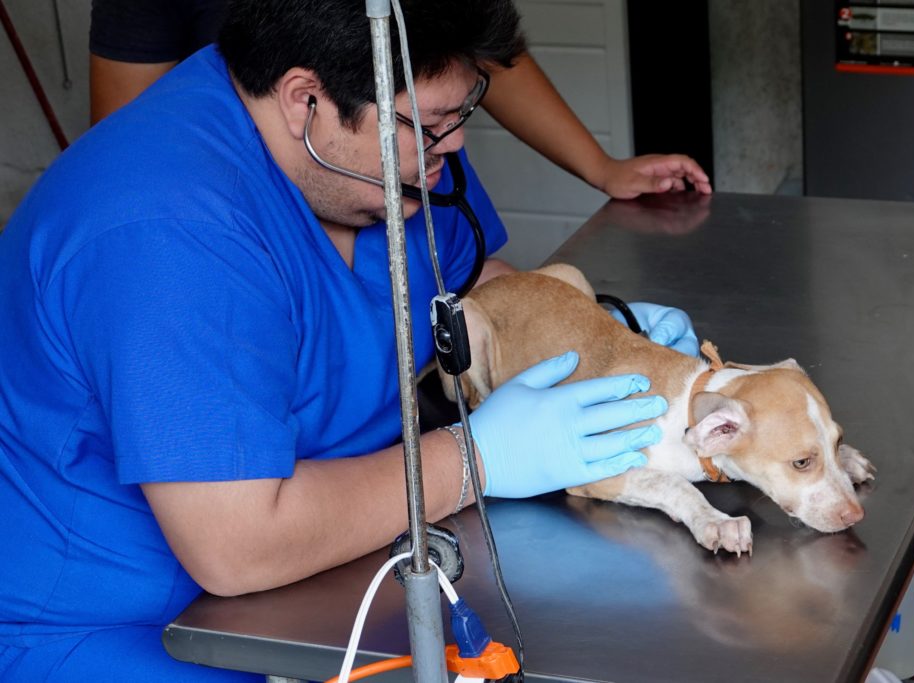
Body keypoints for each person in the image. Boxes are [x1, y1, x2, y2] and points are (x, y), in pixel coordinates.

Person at [0, 0, 700, 679]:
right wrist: (477, 457)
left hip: (323, 581)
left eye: (464, 113)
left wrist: (597, 331)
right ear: (306, 101)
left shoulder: (391, 150)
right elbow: (239, 543)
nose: (453, 146)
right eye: (430, 125)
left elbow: (465, 275)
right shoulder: (166, 231)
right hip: (115, 630)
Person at [88, 0, 712, 197]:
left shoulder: (429, 153)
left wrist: (599, 166)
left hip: (388, 163)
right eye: (442, 120)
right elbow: (132, 144)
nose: (458, 137)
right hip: (265, 197)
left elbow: (469, 47)